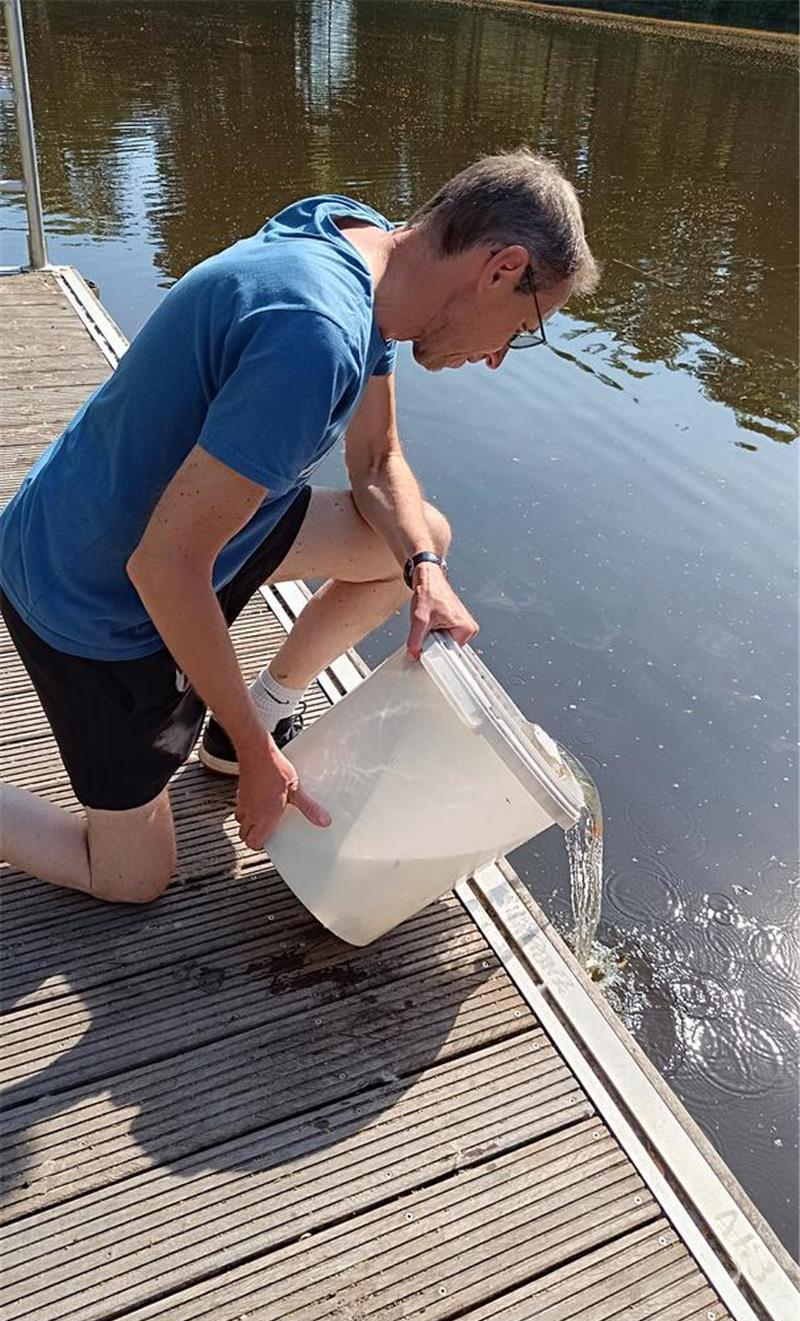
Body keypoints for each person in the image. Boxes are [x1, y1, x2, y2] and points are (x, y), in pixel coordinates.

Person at [0, 149, 597, 905]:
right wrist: (259, 756)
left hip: (168, 520)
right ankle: (244, 735)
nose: (499, 358)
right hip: (86, 594)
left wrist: (425, 572)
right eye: (527, 324)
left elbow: (378, 462)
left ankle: (257, 715)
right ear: (502, 267)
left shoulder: (361, 242)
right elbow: (164, 567)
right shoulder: (316, 338)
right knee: (131, 877)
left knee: (421, 539)